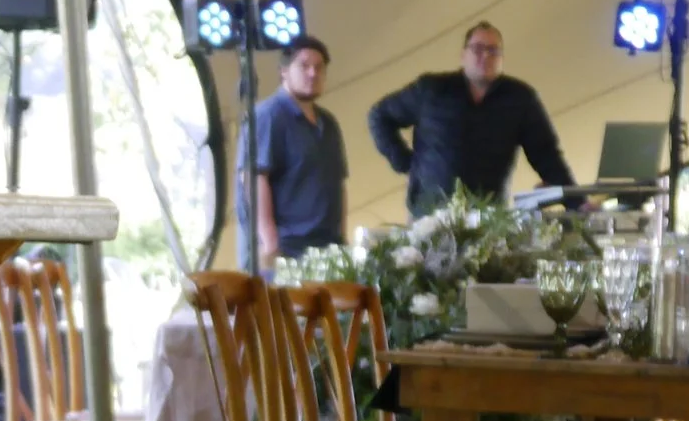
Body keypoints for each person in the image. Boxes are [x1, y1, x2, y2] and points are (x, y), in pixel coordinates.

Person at [366, 22, 580, 218]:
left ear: (501, 58)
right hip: (430, 215)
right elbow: (379, 116)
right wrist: (405, 163)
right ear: (463, 55)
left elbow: (546, 155)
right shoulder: (431, 90)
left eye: (493, 51)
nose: (485, 56)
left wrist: (577, 202)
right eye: (477, 49)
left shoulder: (520, 99)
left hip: (488, 218)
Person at [240, 34, 346, 271]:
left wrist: (342, 239)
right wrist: (270, 242)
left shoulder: (328, 122)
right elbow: (254, 178)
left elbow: (338, 182)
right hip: (286, 249)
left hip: (327, 248)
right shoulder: (268, 115)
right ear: (284, 71)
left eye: (319, 68)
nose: (313, 73)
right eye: (304, 66)